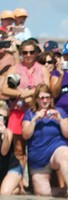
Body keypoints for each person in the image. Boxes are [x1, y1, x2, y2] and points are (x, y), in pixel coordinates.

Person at [1, 39, 50, 175]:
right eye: (25, 52)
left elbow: (47, 88)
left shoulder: (42, 69)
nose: (28, 55)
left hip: (37, 111)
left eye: (31, 52)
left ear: (35, 53)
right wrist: (23, 94)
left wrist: (30, 95)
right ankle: (20, 181)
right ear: (21, 53)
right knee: (18, 149)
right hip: (18, 111)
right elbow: (5, 89)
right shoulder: (15, 69)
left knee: (39, 147)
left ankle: (37, 181)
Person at [21, 84, 68, 198]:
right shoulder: (29, 113)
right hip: (38, 156)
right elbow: (25, 135)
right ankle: (62, 191)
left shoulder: (59, 111)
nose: (45, 101)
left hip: (56, 149)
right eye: (42, 98)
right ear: (36, 99)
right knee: (42, 193)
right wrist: (34, 119)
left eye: (47, 97)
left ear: (51, 98)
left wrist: (60, 119)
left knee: (65, 154)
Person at [0, 100, 19, 195]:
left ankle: (18, 188)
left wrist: (5, 135)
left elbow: (4, 152)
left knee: (4, 193)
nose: (1, 120)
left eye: (4, 118)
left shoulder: (8, 132)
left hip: (11, 167)